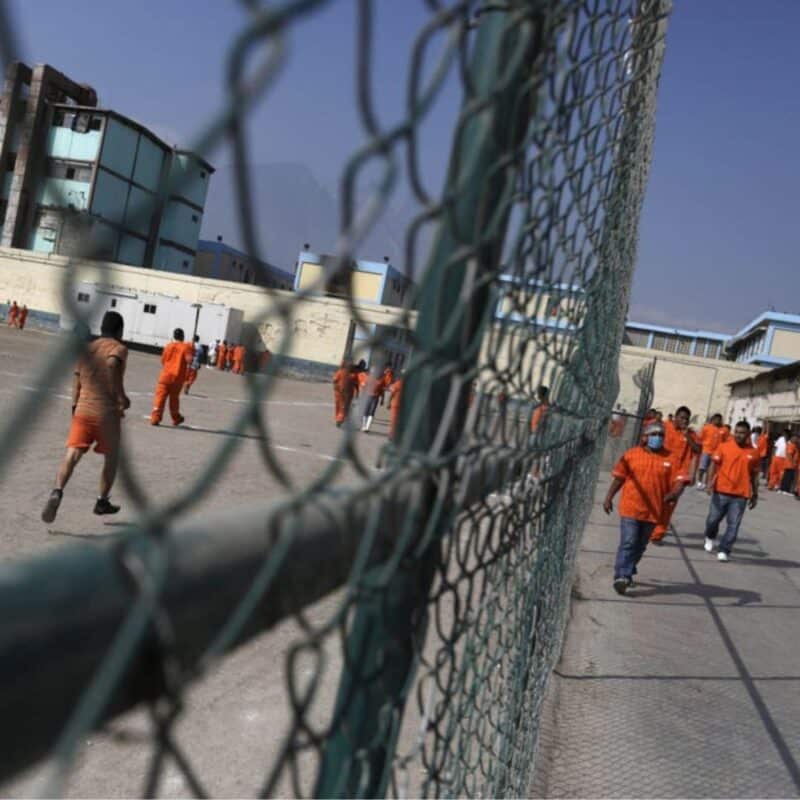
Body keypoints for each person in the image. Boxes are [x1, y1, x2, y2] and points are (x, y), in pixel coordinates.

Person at [41, 311, 130, 523]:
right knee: (112, 457)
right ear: (119, 330)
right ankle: (101, 501)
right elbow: (112, 364)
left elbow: (77, 380)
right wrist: (121, 396)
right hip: (106, 414)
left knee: (72, 455)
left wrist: (74, 407)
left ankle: (57, 491)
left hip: (82, 410)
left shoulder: (87, 349)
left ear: (101, 328)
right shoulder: (118, 348)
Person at [603, 421, 688, 595]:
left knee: (640, 545)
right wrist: (608, 497)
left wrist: (675, 493)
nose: (658, 438)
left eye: (661, 435)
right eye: (654, 434)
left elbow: (680, 481)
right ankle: (622, 576)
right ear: (645, 437)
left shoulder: (672, 458)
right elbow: (619, 477)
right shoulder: (631, 455)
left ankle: (629, 569)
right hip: (631, 507)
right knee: (629, 542)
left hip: (653, 510)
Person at [703, 420, 759, 561]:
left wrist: (755, 494)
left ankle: (724, 549)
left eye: (742, 433)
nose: (739, 435)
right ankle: (710, 536)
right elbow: (713, 465)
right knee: (713, 520)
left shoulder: (753, 452)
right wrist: (709, 482)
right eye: (737, 432)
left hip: (741, 495)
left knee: (733, 525)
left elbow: (755, 474)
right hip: (721, 490)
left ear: (748, 434)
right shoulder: (724, 447)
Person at [650, 405, 700, 544]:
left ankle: (657, 534)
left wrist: (687, 437)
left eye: (687, 419)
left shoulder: (691, 434)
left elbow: (697, 450)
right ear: (675, 417)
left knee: (669, 503)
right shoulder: (664, 427)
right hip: (661, 469)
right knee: (654, 501)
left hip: (679, 474)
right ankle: (648, 527)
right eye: (682, 417)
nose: (684, 421)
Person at [150, 328, 191, 426]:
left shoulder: (168, 346)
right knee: (174, 399)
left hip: (165, 376)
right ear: (183, 336)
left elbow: (163, 360)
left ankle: (155, 417)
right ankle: (176, 418)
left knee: (160, 397)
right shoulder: (186, 347)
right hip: (177, 378)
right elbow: (189, 360)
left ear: (174, 336)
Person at [361, 363, 393, 433]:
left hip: (375, 398)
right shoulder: (368, 378)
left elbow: (382, 390)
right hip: (367, 396)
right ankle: (363, 426)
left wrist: (382, 399)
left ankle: (367, 427)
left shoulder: (381, 380)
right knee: (365, 411)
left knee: (372, 412)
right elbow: (363, 387)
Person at [696, 413, 724, 489]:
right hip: (706, 450)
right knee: (702, 467)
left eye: (719, 420)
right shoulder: (706, 428)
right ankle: (699, 481)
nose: (718, 421)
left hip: (716, 453)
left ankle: (705, 483)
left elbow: (725, 440)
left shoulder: (722, 430)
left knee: (710, 469)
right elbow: (700, 438)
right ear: (713, 419)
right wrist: (700, 446)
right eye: (716, 419)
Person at [332, 359, 357, 427]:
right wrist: (335, 387)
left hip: (347, 394)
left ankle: (340, 419)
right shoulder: (341, 372)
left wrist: (357, 392)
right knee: (339, 406)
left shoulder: (354, 375)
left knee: (343, 407)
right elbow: (334, 380)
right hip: (339, 393)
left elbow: (356, 385)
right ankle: (339, 418)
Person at [388, 373, 404, 440]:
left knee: (393, 420)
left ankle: (392, 434)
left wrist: (388, 402)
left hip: (395, 404)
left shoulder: (397, 383)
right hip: (403, 405)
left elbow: (392, 393)